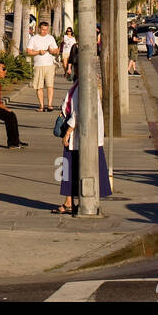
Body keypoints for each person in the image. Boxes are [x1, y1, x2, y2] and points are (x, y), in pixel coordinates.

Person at [52, 65, 112, 214]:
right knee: (68, 166)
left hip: (80, 135)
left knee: (70, 166)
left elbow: (80, 110)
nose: (70, 70)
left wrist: (68, 132)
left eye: (73, 67)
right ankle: (69, 201)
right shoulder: (79, 85)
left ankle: (76, 201)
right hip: (80, 135)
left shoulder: (85, 86)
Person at [26, 20, 60, 111]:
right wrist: (38, 52)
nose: (45, 31)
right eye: (43, 30)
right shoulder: (33, 38)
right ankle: (41, 106)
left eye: (46, 30)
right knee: (39, 86)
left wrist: (52, 51)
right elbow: (28, 51)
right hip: (38, 65)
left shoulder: (50, 38)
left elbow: (57, 50)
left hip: (49, 65)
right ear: (39, 29)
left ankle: (49, 105)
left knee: (50, 86)